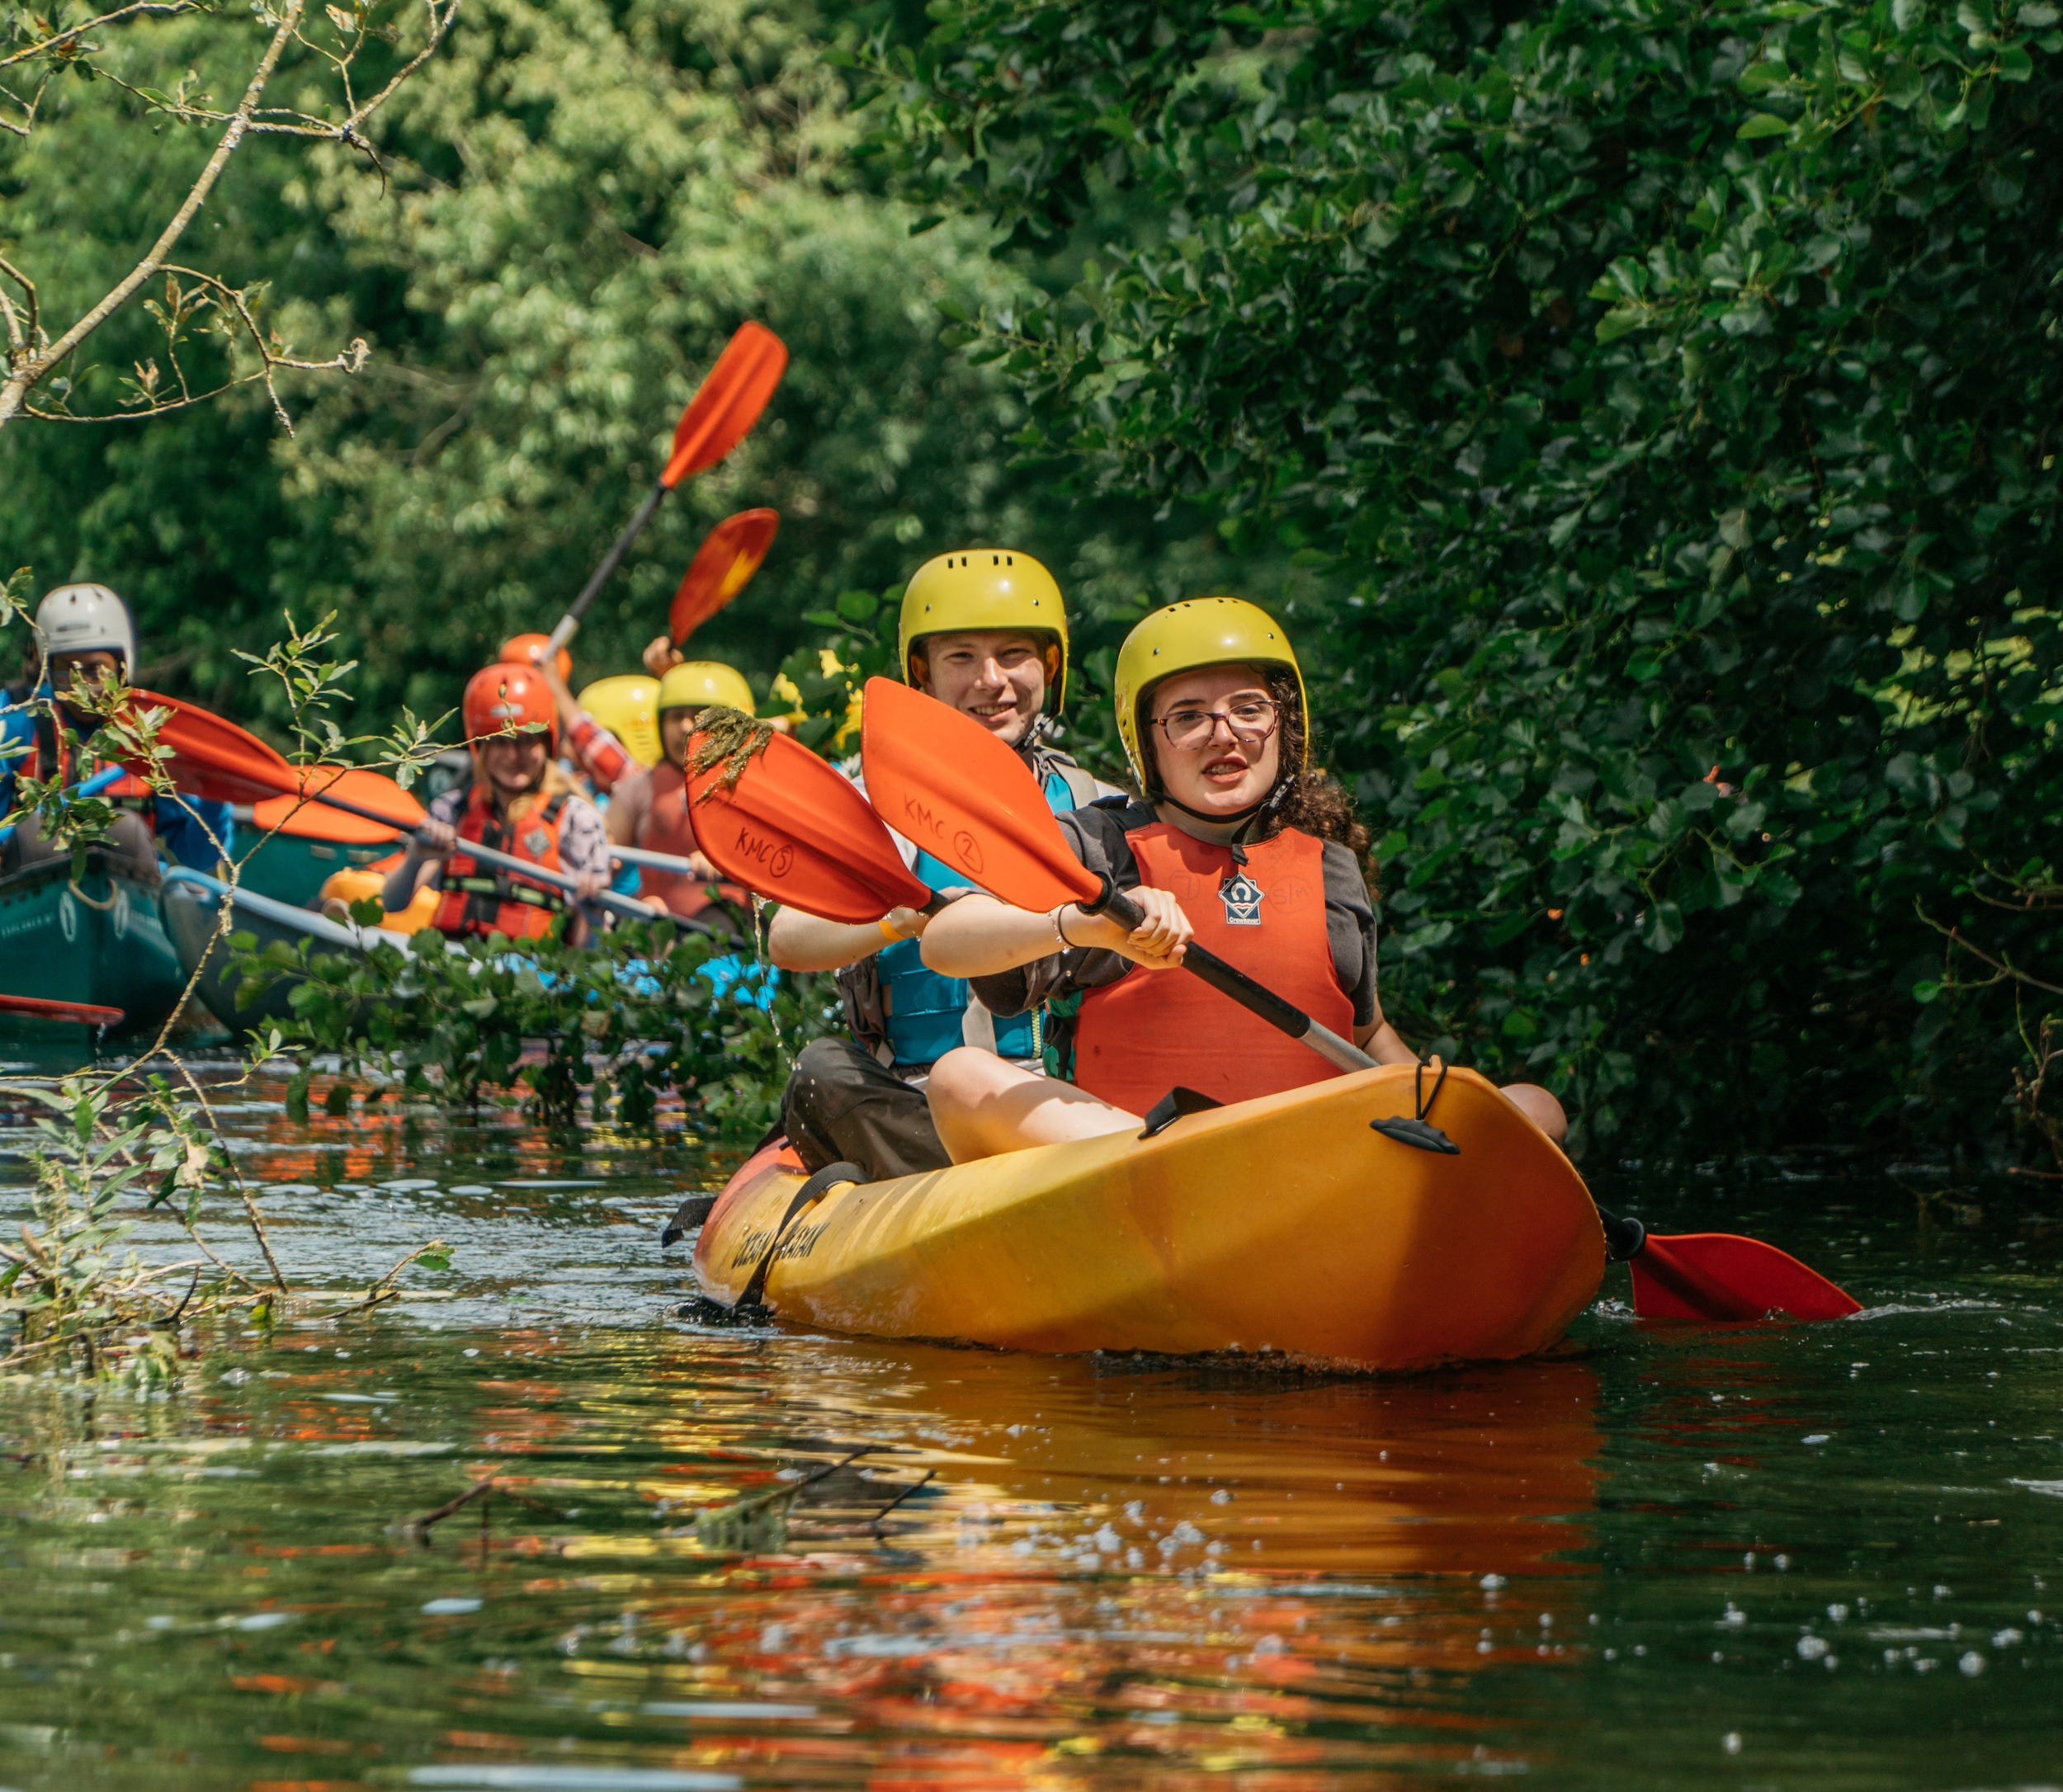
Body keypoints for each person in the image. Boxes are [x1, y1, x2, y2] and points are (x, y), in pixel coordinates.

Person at [916, 597, 1570, 1160]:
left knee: (1533, 1107)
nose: (1223, 734)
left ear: (1285, 723)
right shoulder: (1100, 844)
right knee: (960, 1077)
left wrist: (1447, 1109)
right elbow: (946, 942)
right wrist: (1083, 924)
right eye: (1189, 716)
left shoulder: (1329, 866)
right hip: (1138, 1163)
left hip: (1317, 1162)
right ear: (1148, 741)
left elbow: (1366, 1036)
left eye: (1249, 709)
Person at [768, 549, 1121, 1182]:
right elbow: (788, 940)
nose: (992, 681)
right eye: (961, 658)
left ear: (1051, 667)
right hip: (917, 1101)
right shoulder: (878, 804)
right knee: (821, 1072)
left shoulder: (1097, 805)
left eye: (1014, 654)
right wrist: (900, 919)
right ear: (922, 676)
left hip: (1060, 1110)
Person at [0, 582, 234, 878]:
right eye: (65, 672)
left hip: (130, 895)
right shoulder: (15, 719)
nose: (80, 687)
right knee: (36, 833)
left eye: (95, 670)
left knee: (125, 829)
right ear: (47, 670)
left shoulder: (150, 732)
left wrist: (217, 796)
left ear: (122, 667)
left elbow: (198, 857)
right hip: (30, 898)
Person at [382, 663, 613, 944]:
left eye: (526, 741)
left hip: (534, 973)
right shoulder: (453, 809)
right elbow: (392, 904)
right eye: (500, 742)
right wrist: (417, 856)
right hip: (453, 964)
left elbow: (596, 944)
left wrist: (594, 914)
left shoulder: (577, 819)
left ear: (546, 742)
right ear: (480, 746)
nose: (513, 755)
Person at [604, 661, 754, 931]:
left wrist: (725, 859)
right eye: (675, 716)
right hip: (657, 926)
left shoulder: (756, 787)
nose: (685, 727)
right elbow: (606, 850)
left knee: (717, 921)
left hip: (730, 933)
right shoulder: (640, 786)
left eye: (699, 716)